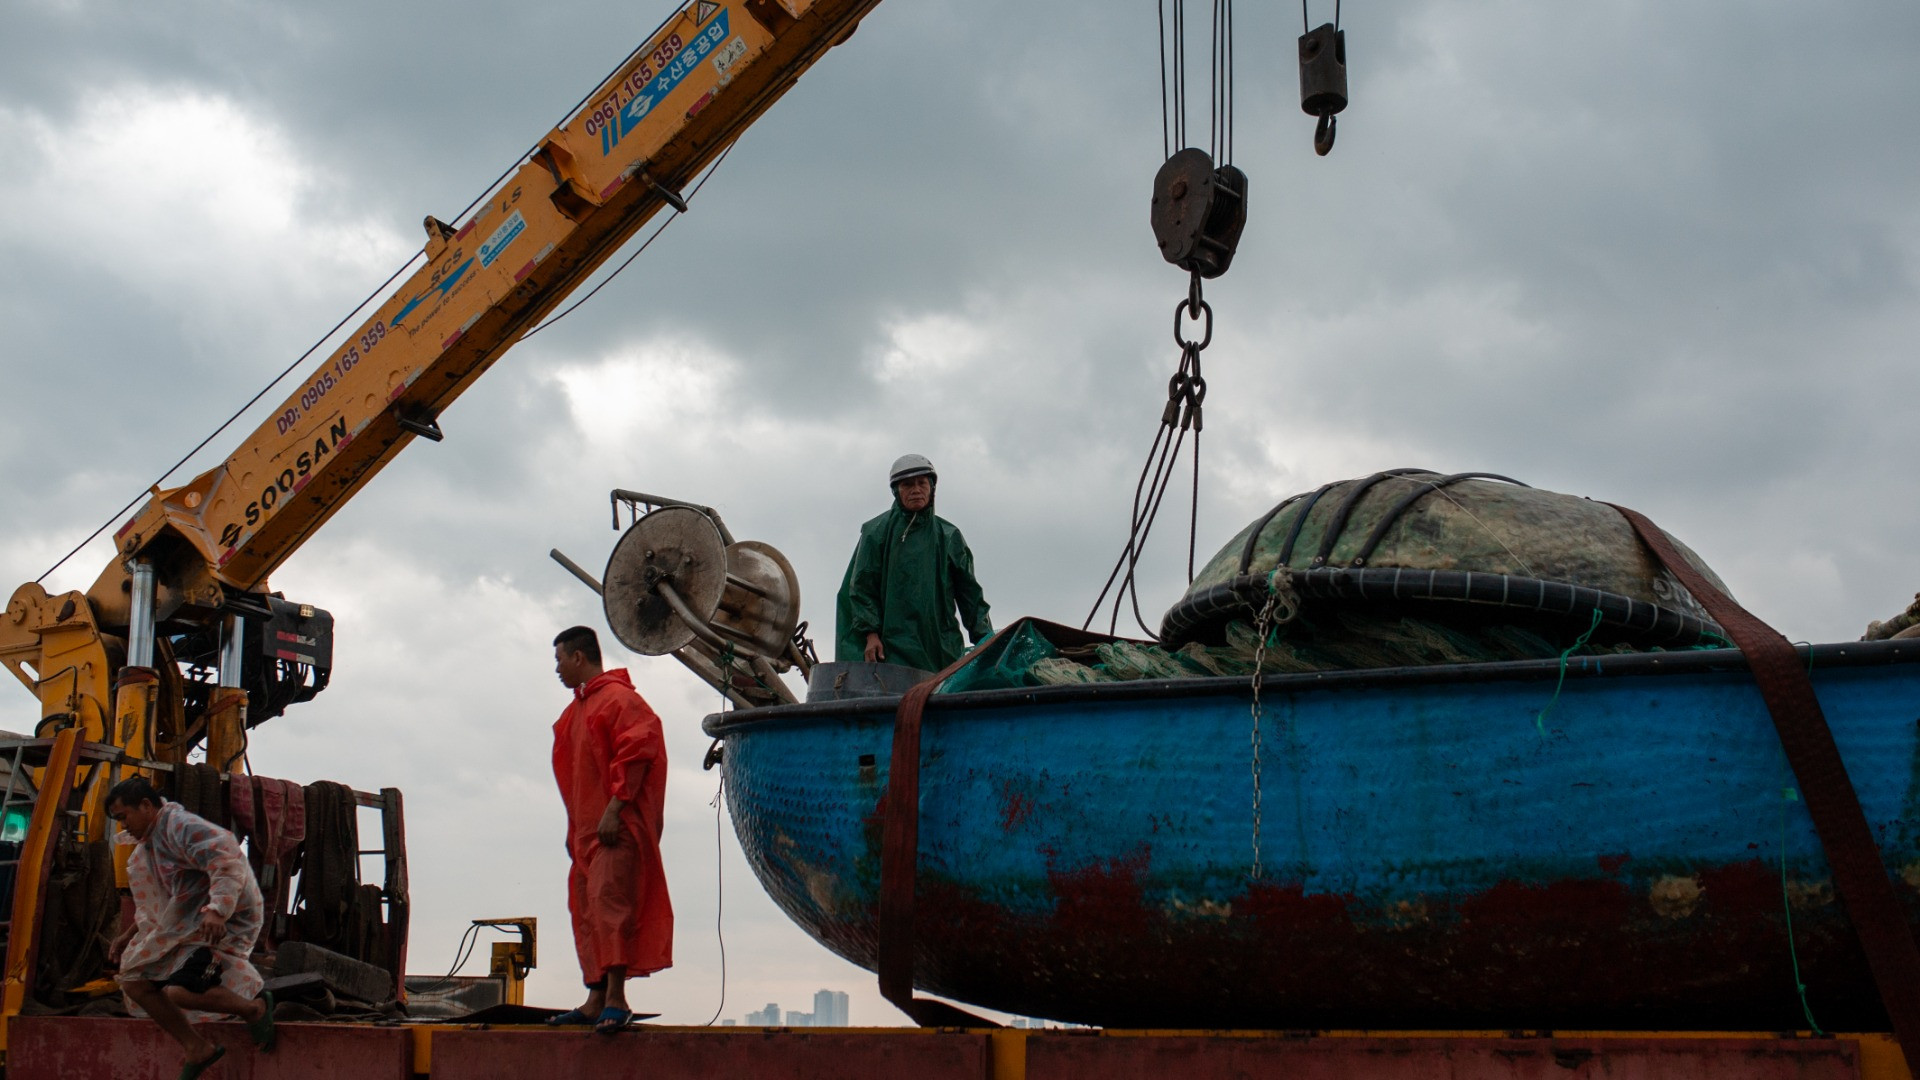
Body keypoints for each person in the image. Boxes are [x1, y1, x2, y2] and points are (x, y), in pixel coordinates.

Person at [545, 625, 672, 1034]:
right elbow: (576, 780)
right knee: (585, 909)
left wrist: (616, 809)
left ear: (579, 657)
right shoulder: (575, 713)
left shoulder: (619, 701)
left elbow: (639, 750)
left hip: (614, 829)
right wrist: (574, 829)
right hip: (586, 833)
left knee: (609, 904)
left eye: (560, 659)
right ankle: (595, 997)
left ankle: (617, 998)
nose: (558, 668)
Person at [106, 776, 274, 1079]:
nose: (124, 826)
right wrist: (130, 933)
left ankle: (255, 1009)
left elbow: (226, 860)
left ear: (145, 805)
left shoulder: (179, 827)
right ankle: (197, 1048)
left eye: (123, 817)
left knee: (179, 992)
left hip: (223, 922)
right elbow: (162, 902)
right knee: (134, 981)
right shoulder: (152, 844)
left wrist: (219, 911)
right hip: (193, 924)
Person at [836, 453, 993, 671]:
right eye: (907, 485)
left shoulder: (949, 536)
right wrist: (870, 635)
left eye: (922, 483)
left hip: (941, 648)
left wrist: (986, 639)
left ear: (932, 487)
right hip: (889, 651)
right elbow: (862, 587)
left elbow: (970, 595)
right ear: (896, 491)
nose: (916, 490)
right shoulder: (876, 533)